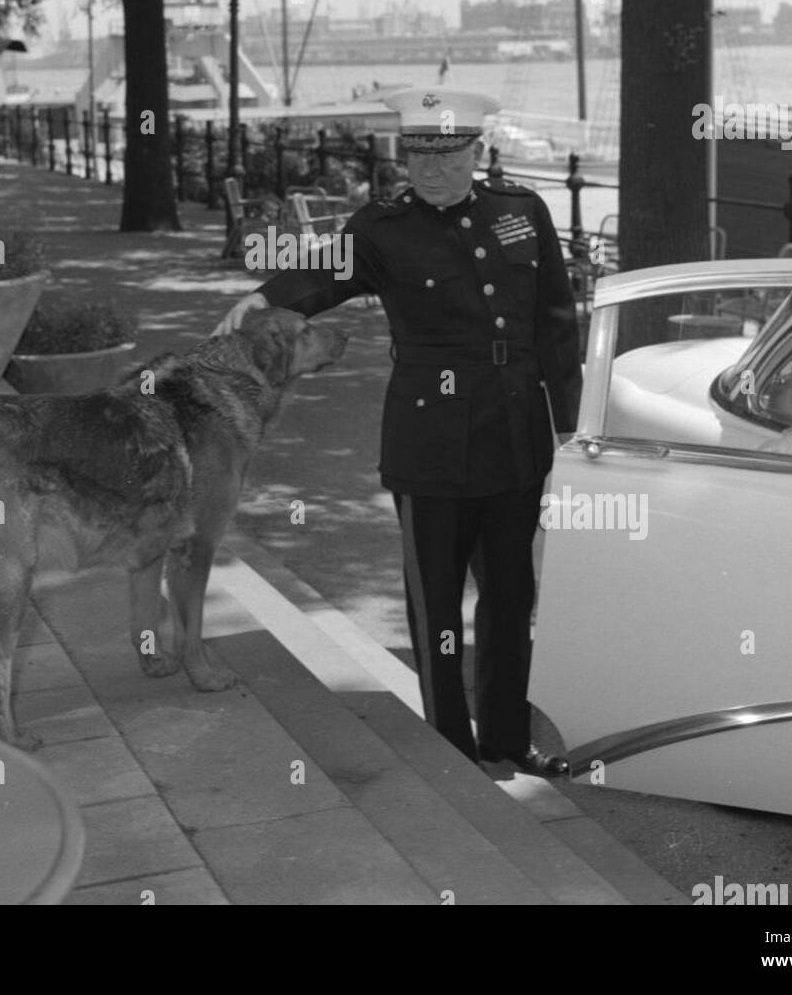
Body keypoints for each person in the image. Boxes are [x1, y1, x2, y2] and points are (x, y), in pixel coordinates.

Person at [215, 87, 581, 774]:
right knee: (435, 600)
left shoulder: (522, 214)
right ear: (404, 155)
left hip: (514, 431)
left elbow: (557, 325)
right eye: (418, 155)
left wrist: (569, 429)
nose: (432, 170)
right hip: (430, 440)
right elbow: (326, 271)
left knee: (511, 597)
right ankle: (451, 748)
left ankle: (507, 738)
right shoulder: (383, 227)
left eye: (447, 155)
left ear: (476, 150)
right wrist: (264, 296)